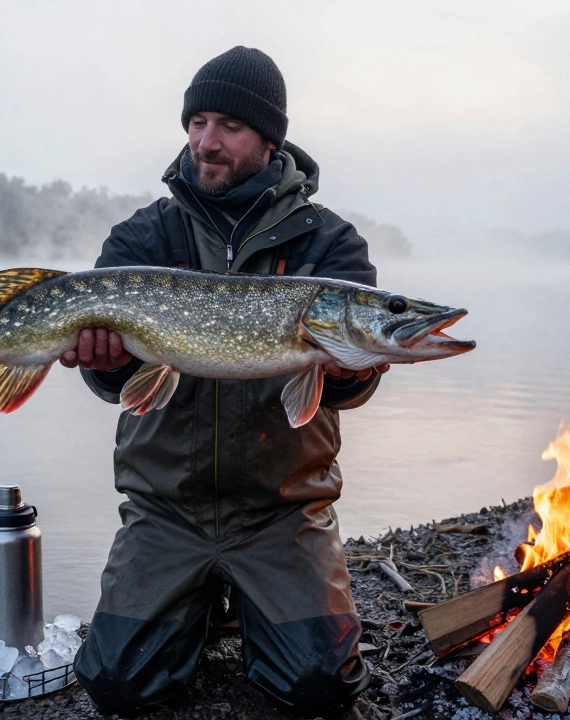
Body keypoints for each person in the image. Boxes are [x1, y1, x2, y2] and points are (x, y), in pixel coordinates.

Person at [61, 46, 389, 717]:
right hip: (166, 509)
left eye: (228, 127)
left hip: (281, 510)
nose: (206, 143)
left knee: (318, 689)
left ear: (270, 140)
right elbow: (113, 386)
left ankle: (245, 596)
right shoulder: (143, 236)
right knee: (120, 685)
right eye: (197, 122)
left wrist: (355, 370)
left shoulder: (330, 247)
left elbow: (350, 392)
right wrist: (106, 361)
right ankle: (199, 601)